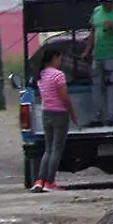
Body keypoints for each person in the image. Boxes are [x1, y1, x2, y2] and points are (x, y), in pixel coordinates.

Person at [32, 48, 76, 193]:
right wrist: (72, 112)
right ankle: (50, 182)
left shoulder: (41, 75)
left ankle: (40, 180)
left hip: (46, 113)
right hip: (59, 114)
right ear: (54, 58)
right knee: (57, 149)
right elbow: (64, 97)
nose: (61, 62)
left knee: (48, 149)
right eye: (60, 59)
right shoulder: (58, 75)